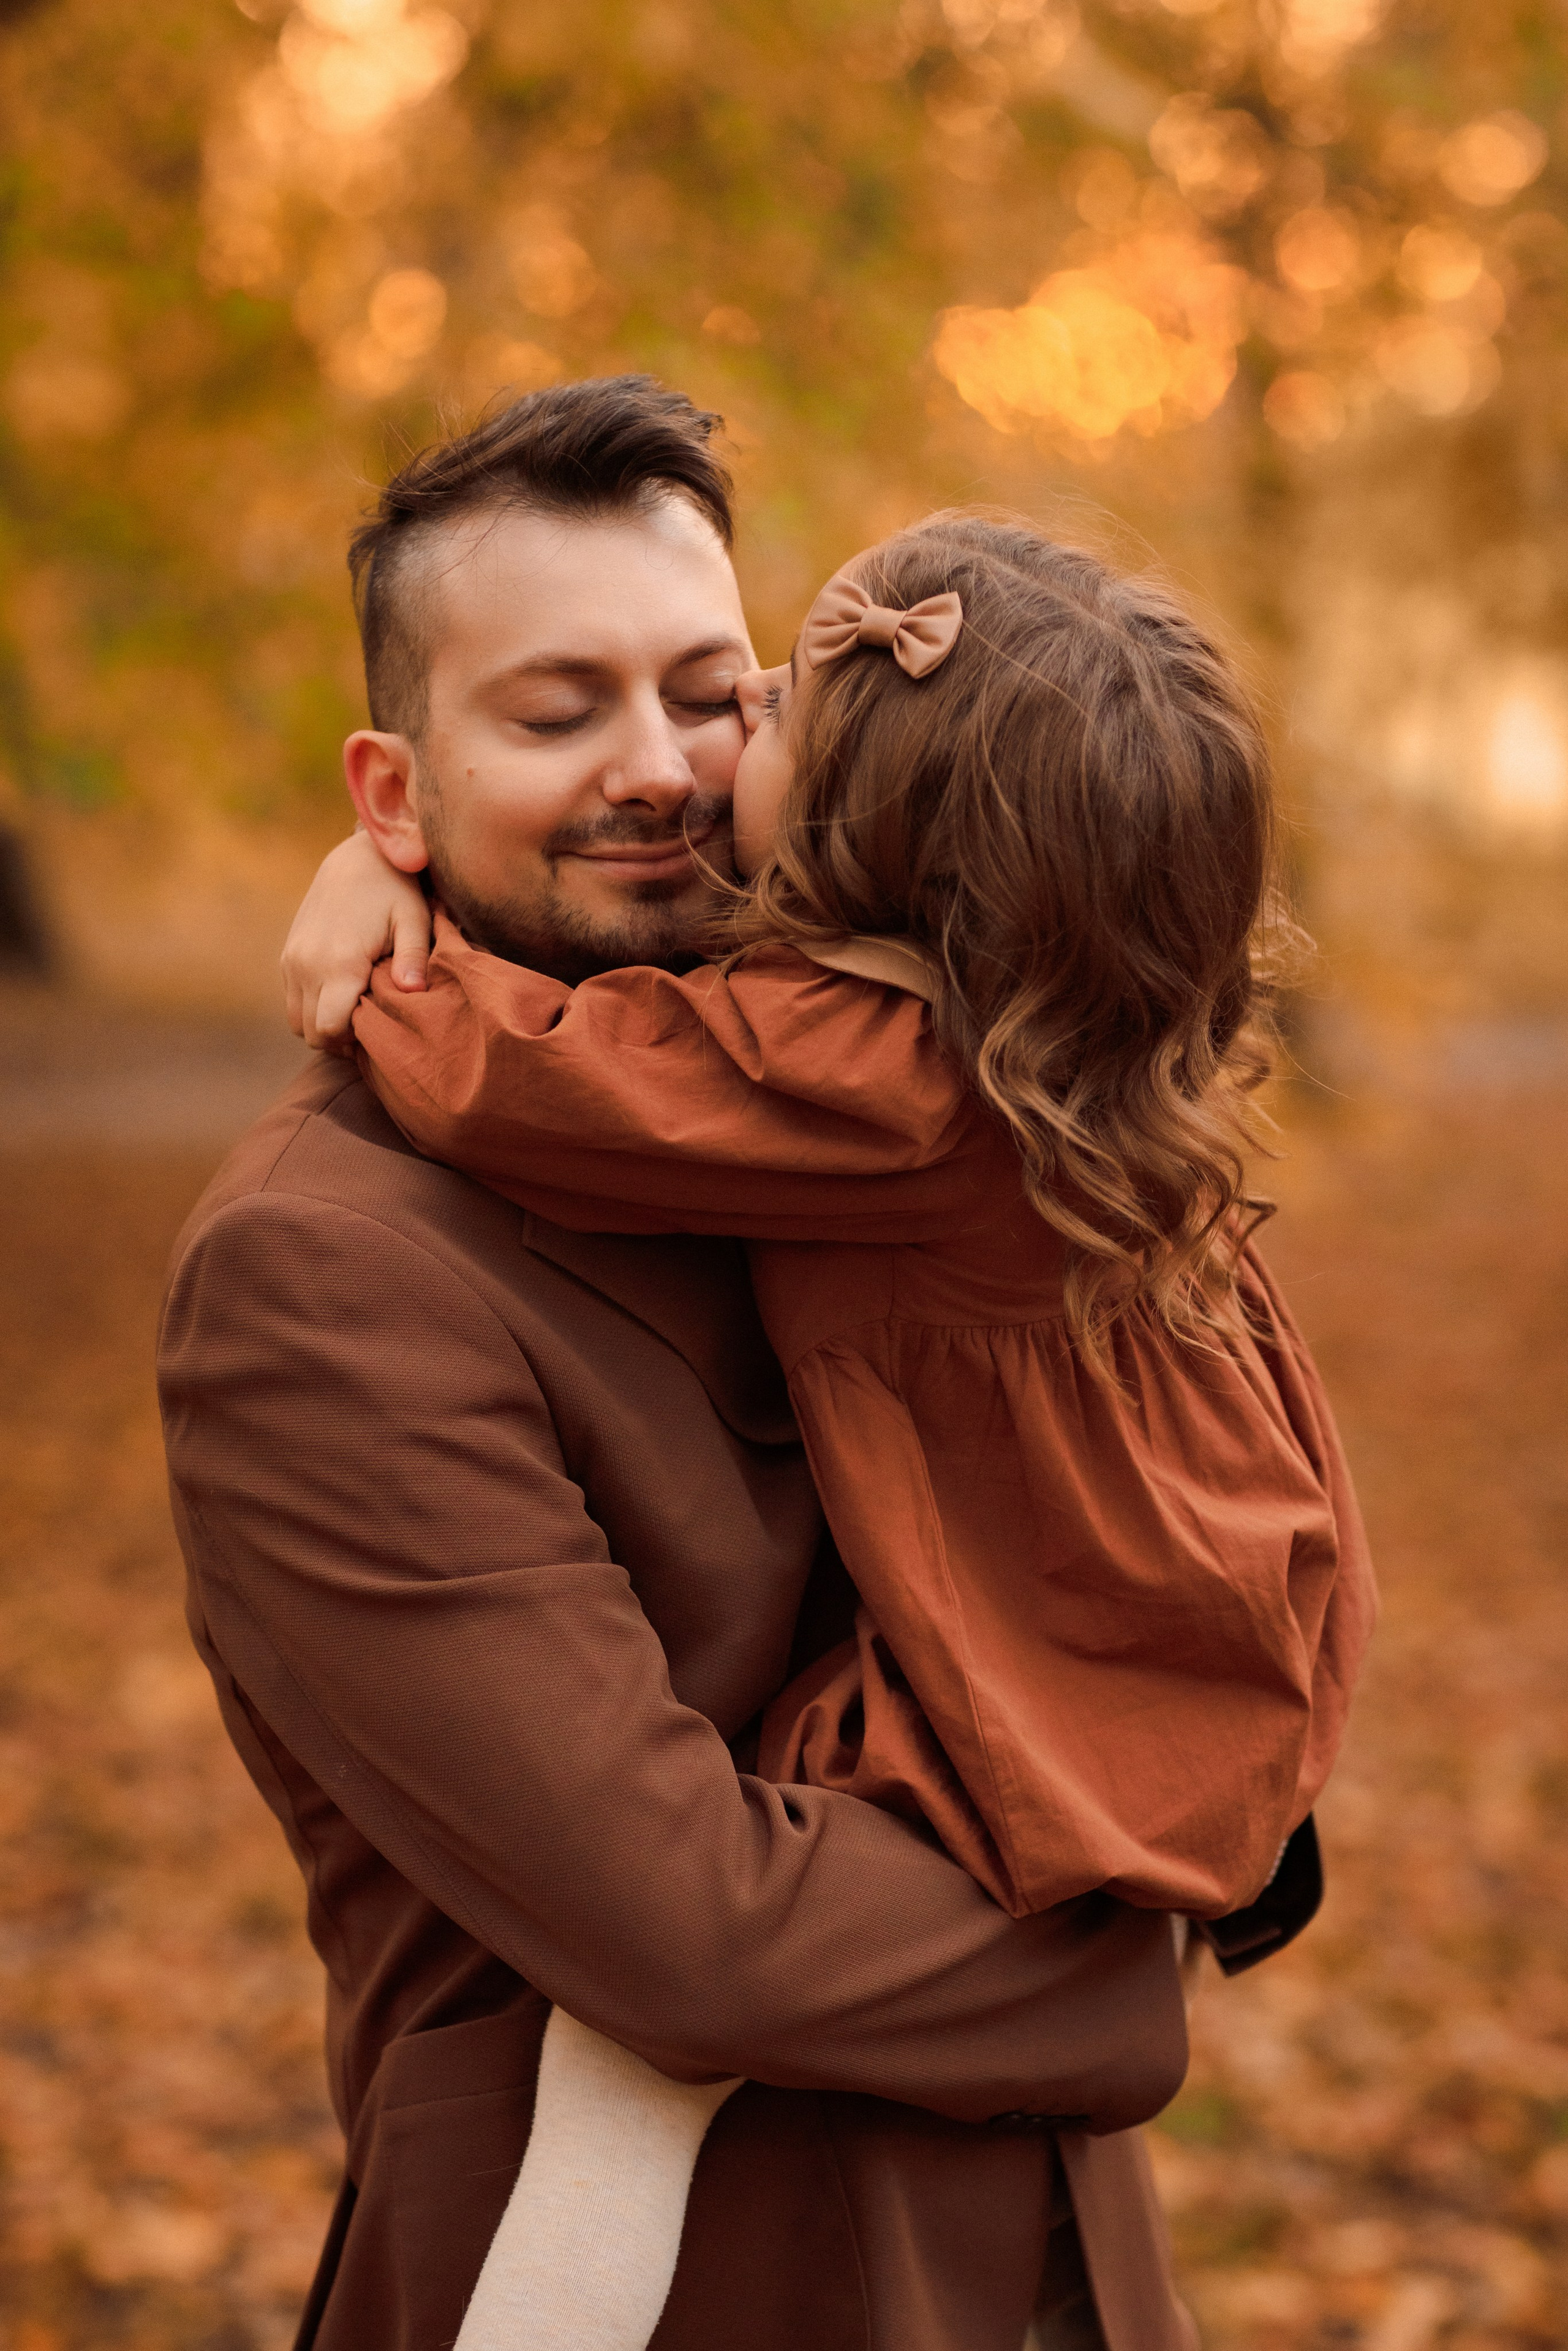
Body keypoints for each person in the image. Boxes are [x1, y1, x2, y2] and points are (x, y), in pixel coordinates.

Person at [282, 471, 1374, 2350]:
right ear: (402, 780)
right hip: (769, 2246)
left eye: (733, 696)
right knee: (641, 2068)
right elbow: (691, 1931)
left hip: (1041, 2121)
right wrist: (1114, 1988)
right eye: (558, 714)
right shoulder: (1009, 1020)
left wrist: (389, 963)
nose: (684, 768)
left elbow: (553, 1087)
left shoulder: (866, 1062)